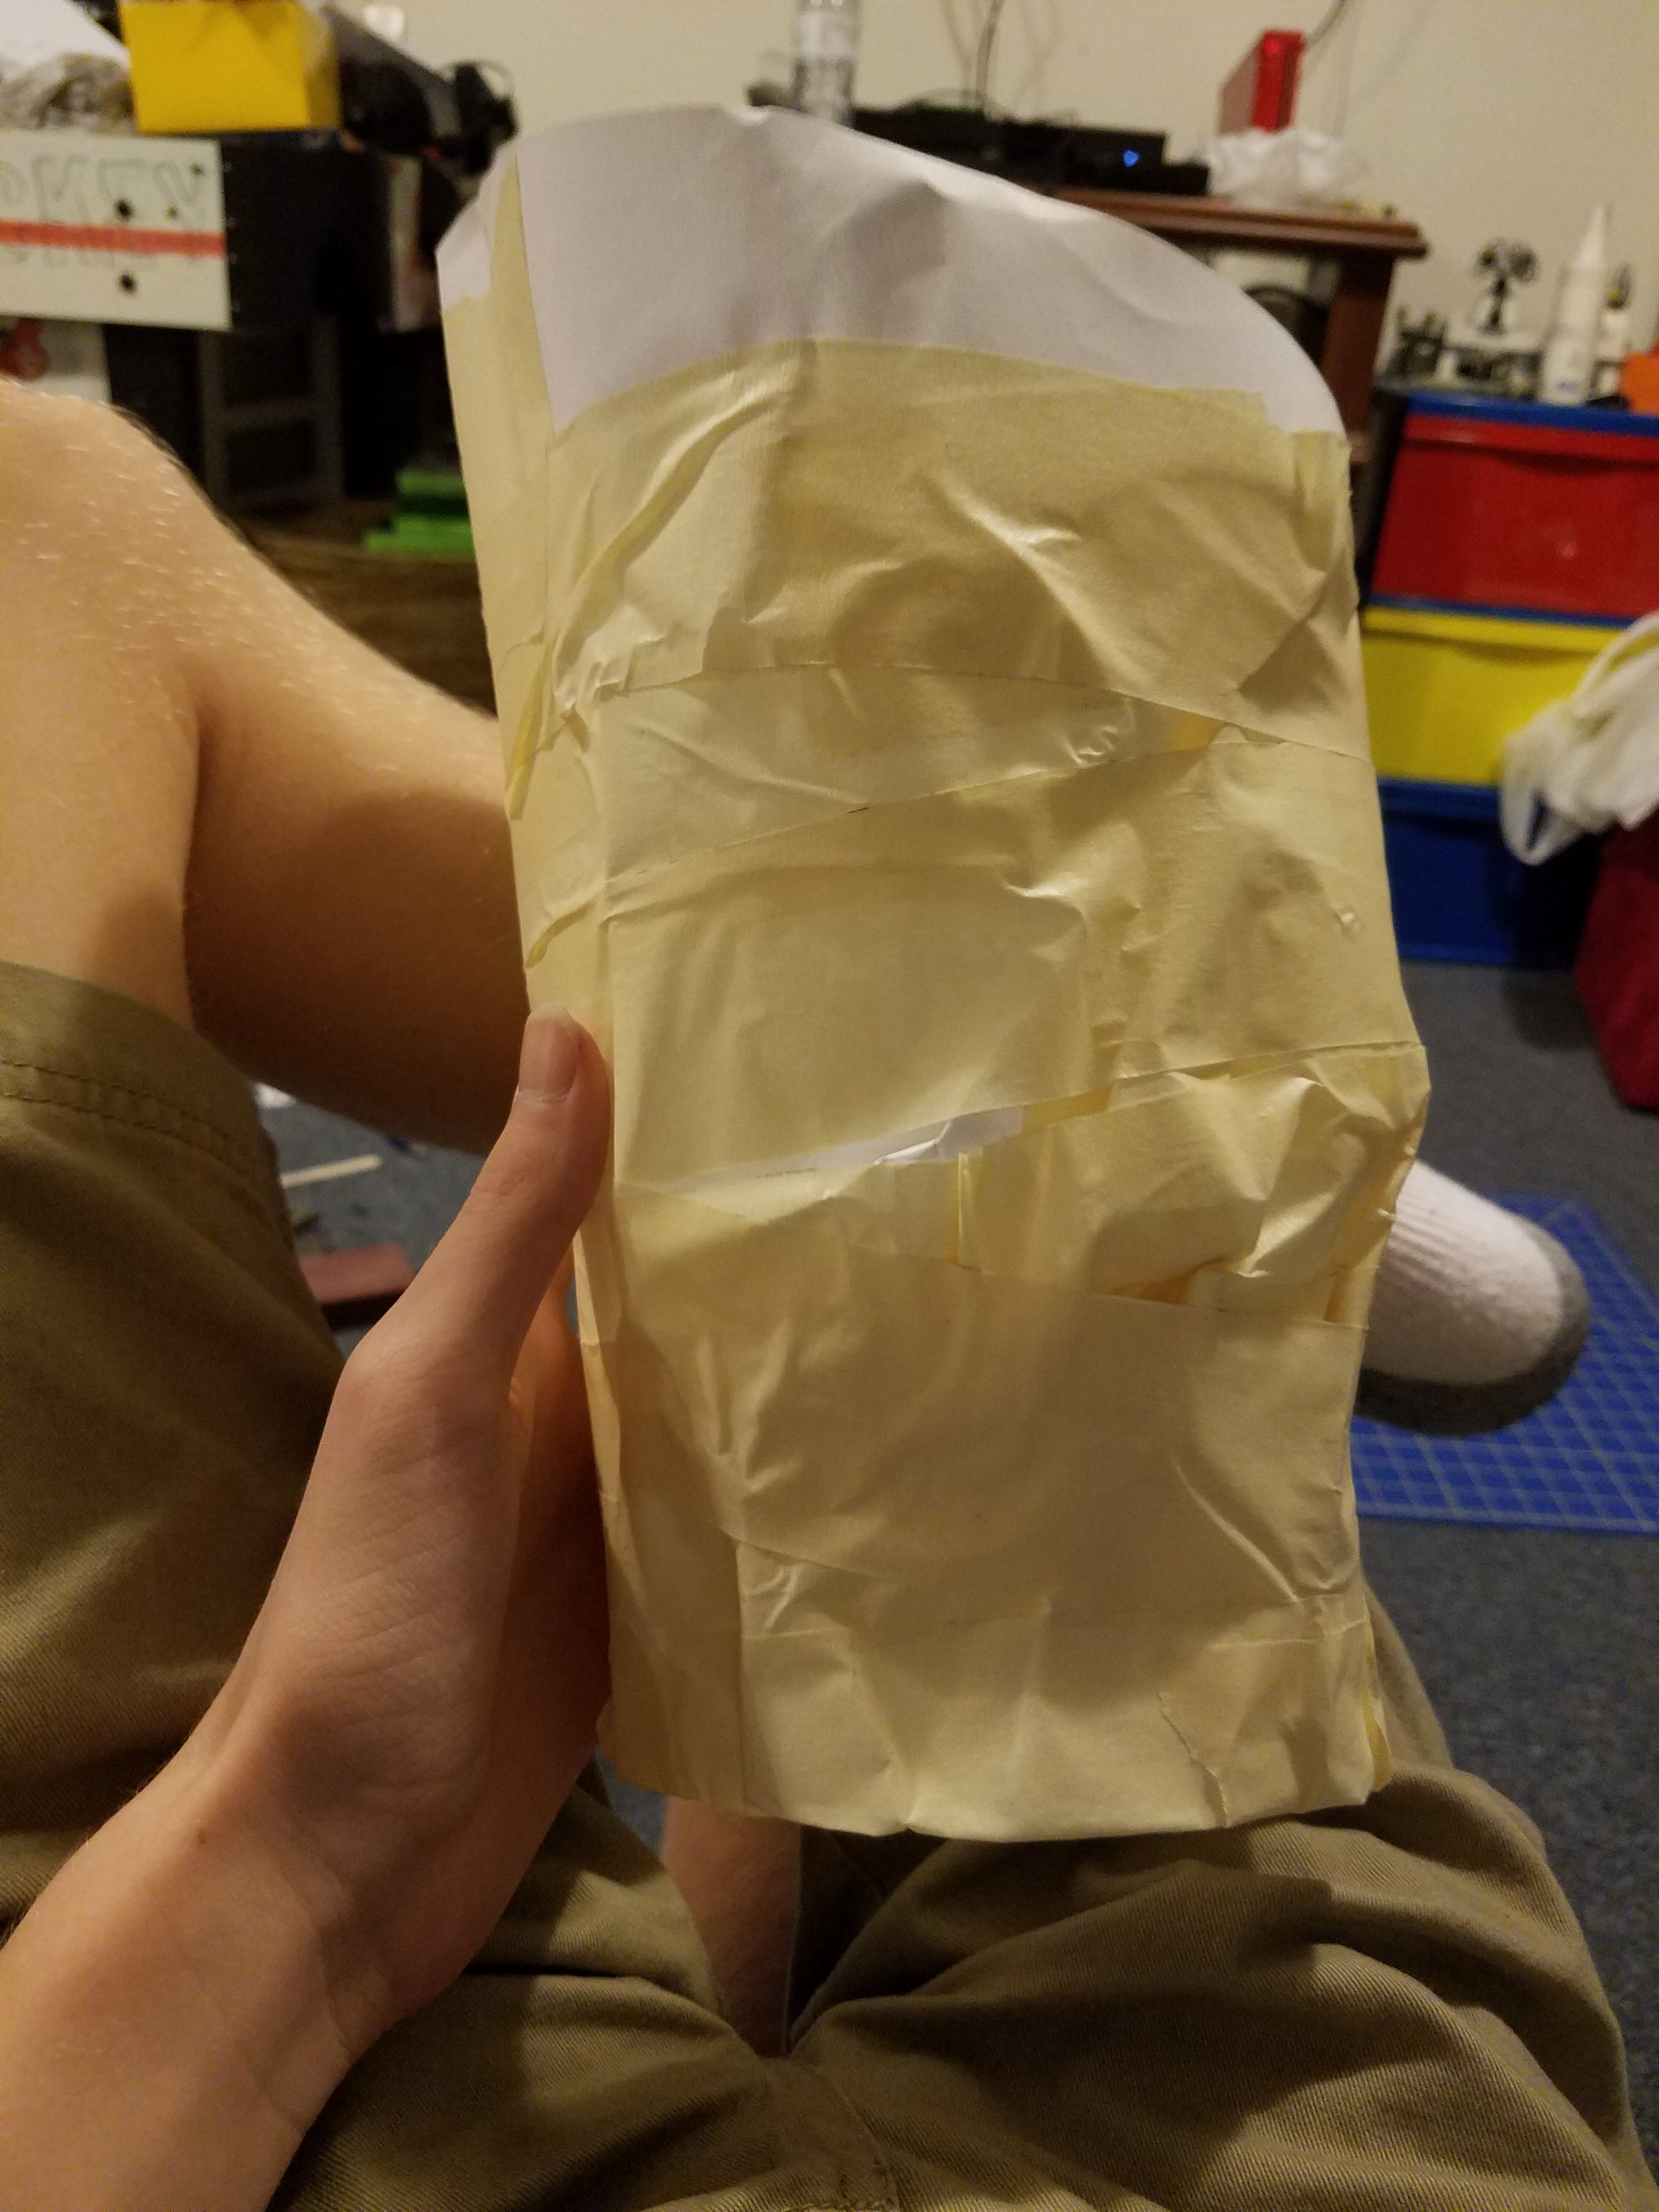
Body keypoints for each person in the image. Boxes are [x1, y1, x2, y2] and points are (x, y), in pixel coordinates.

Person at [0, 378, 1650, 2211]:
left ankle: (943, 1106)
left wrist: (302, 1866)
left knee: (37, 507)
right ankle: (1092, 1121)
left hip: (224, 2071)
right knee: (31, 516)